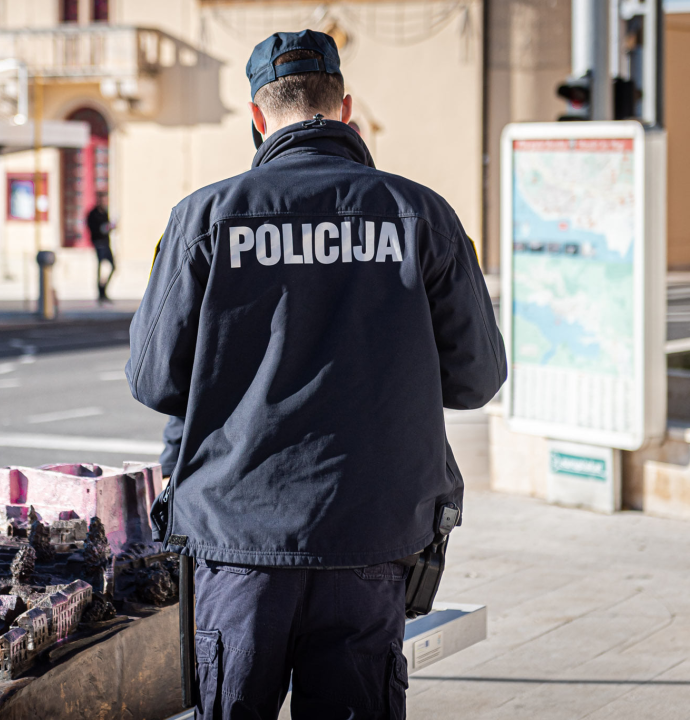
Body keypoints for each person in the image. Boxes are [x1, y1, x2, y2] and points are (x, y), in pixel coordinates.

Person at [125, 30, 506, 720]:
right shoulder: (421, 214)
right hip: (372, 535)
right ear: (345, 108)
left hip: (237, 541)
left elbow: (154, 380)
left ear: (255, 115)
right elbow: (476, 379)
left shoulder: (203, 218)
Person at [86, 193, 116, 303]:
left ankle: (104, 289)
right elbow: (92, 228)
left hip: (106, 243)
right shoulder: (93, 214)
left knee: (113, 266)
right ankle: (100, 293)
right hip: (98, 243)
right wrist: (101, 229)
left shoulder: (105, 212)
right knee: (100, 267)